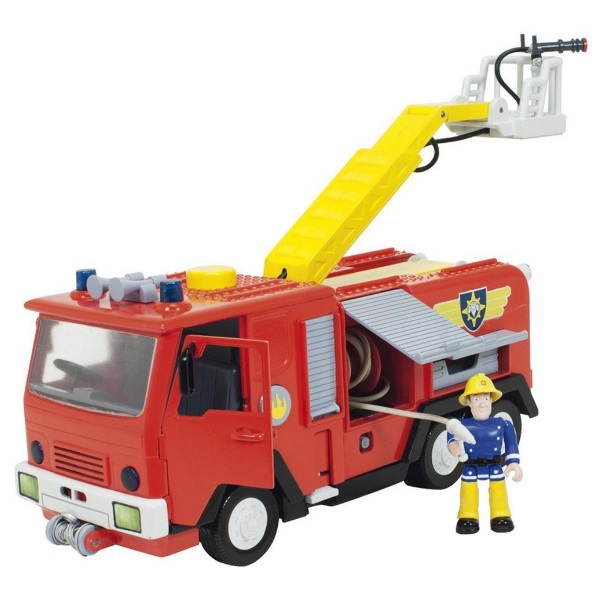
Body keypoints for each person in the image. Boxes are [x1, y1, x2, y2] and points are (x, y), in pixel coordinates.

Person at [448, 373, 523, 534]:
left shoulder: (503, 424)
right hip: (470, 465)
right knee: (468, 488)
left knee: (498, 487)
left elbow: (511, 444)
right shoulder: (461, 425)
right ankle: (467, 516)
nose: (482, 404)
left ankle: (500, 514)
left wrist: (513, 462)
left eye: (486, 398)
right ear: (469, 402)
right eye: (476, 399)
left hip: (494, 465)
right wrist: (452, 445)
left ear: (491, 400)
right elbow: (451, 433)